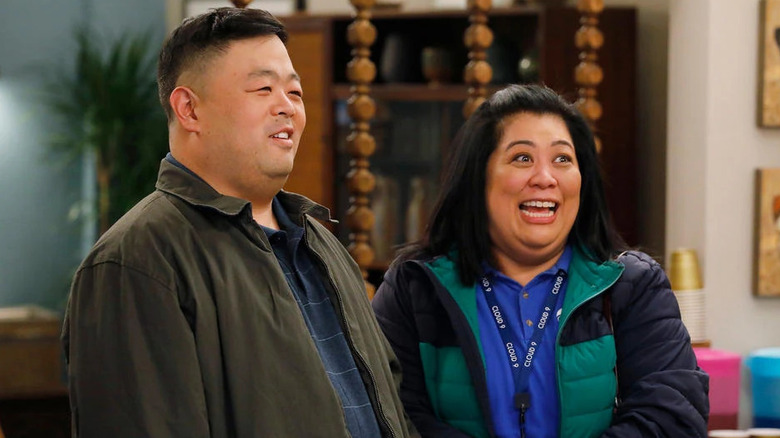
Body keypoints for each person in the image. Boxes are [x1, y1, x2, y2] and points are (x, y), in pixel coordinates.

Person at [62, 7, 417, 438]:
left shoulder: (320, 240)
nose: (287, 108)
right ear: (190, 109)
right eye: (264, 88)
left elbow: (392, 406)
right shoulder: (135, 260)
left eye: (296, 92)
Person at [371, 84, 709, 438]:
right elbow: (387, 415)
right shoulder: (415, 286)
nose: (545, 178)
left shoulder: (632, 285)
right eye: (522, 158)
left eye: (563, 159)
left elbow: (674, 419)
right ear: (478, 177)